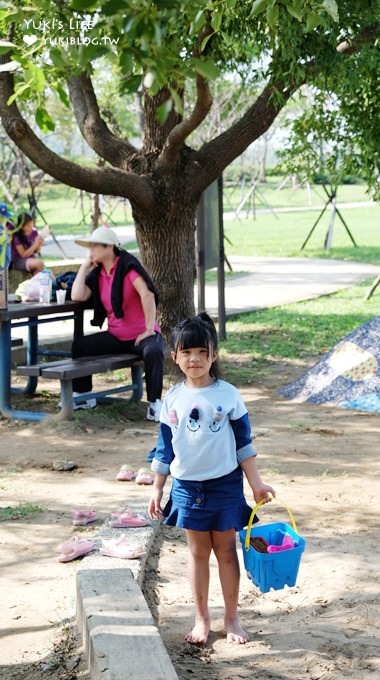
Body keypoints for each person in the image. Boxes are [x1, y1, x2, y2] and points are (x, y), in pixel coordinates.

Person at [148, 312, 275, 645]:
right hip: (187, 488)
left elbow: (244, 444)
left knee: (226, 551)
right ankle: (202, 619)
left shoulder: (228, 395)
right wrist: (158, 488)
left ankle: (232, 619)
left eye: (202, 352)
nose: (195, 359)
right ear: (174, 356)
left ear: (213, 355)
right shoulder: (172, 399)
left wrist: (256, 484)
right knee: (197, 552)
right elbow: (164, 448)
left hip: (224, 484)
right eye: (187, 352)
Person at [71, 226, 164, 416]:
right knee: (80, 346)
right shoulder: (98, 274)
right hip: (116, 336)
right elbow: (78, 295)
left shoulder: (128, 267)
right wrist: (83, 267)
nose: (91, 251)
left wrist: (148, 329)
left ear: (109, 247)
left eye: (94, 246)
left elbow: (147, 295)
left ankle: (155, 404)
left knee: (153, 351)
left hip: (141, 335)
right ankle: (83, 396)